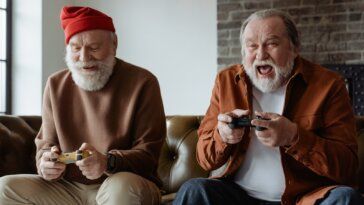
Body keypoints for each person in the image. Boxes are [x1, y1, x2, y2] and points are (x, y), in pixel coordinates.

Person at [173, 9, 363, 205]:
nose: (260, 54)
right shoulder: (226, 81)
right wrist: (223, 137)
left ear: (294, 47)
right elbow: (205, 160)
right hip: (238, 196)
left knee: (346, 199)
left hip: (305, 199)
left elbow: (347, 166)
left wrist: (294, 137)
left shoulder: (329, 84)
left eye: (272, 44)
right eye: (251, 46)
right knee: (194, 189)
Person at [0, 6, 165, 205]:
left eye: (94, 48)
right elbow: (46, 145)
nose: (84, 57)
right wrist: (45, 163)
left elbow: (149, 155)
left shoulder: (143, 82)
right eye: (76, 48)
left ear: (114, 44)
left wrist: (108, 162)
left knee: (122, 188)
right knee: (5, 188)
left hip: (121, 181)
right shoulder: (55, 84)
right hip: (68, 189)